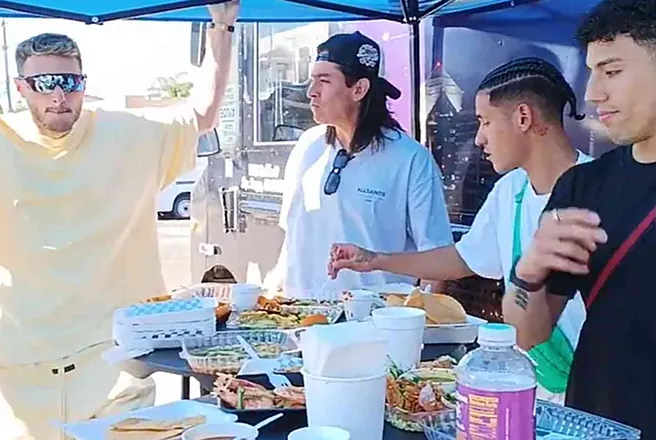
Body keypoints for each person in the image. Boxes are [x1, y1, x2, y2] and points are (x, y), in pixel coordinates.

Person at [0, 3, 239, 439]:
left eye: (69, 82)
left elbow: (202, 115)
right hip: (21, 363)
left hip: (115, 354)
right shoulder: (2, 140)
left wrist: (222, 26)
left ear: (83, 83)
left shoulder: (126, 132)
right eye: (44, 83)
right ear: (21, 87)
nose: (58, 96)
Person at [328, 57, 592, 403]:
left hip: (596, 393)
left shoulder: (602, 191)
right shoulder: (510, 190)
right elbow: (462, 259)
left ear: (523, 117)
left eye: (485, 122)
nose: (479, 138)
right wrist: (375, 259)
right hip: (533, 388)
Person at [502, 0, 656, 436]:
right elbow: (528, 334)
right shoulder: (582, 186)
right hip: (594, 422)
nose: (592, 93)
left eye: (612, 71)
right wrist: (528, 272)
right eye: (591, 72)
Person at [268, 31, 452, 299]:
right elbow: (292, 236)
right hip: (300, 312)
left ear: (359, 89)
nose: (311, 92)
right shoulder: (307, 146)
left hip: (371, 318)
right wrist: (273, 290)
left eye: (324, 80)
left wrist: (416, 318)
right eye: (312, 80)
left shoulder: (410, 159)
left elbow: (437, 260)